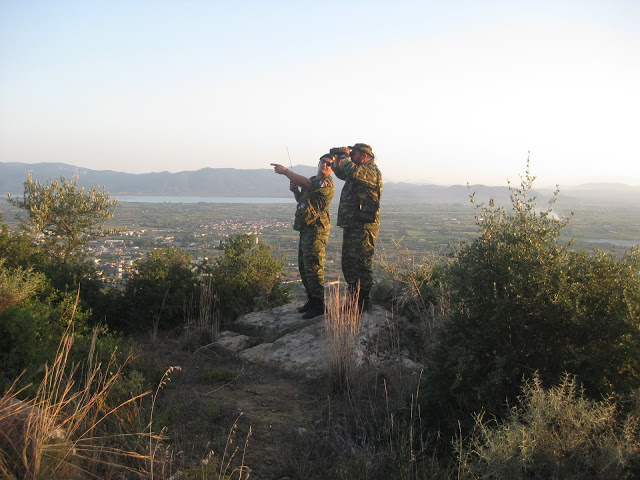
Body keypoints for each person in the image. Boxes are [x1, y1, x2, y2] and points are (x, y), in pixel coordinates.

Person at [271, 154, 335, 319]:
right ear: (319, 163)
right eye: (324, 162)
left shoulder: (324, 183)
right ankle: (312, 301)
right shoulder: (314, 180)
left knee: (314, 266)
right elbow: (303, 201)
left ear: (332, 169)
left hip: (317, 231)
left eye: (329, 164)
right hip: (307, 228)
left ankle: (319, 306)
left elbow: (307, 183)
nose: (325, 165)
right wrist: (296, 192)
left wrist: (285, 171)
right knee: (304, 267)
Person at [331, 143, 382, 313]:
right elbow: (340, 172)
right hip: (353, 224)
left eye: (354, 154)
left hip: (364, 225)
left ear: (364, 156)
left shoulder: (370, 170)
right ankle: (352, 298)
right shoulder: (356, 170)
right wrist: (338, 157)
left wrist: (345, 157)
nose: (351, 156)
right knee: (349, 262)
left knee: (363, 262)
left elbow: (352, 171)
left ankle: (363, 301)